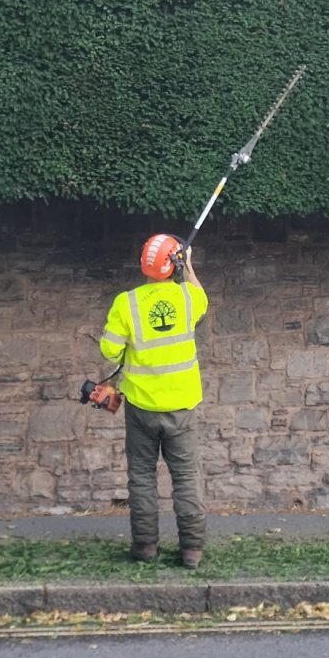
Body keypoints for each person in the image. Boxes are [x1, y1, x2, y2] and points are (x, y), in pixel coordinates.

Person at [98, 233, 209, 569]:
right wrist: (187, 265)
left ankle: (145, 547)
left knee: (143, 477)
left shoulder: (126, 303)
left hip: (141, 408)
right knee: (186, 478)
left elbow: (109, 350)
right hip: (182, 407)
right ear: (173, 264)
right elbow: (201, 298)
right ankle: (192, 550)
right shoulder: (188, 298)